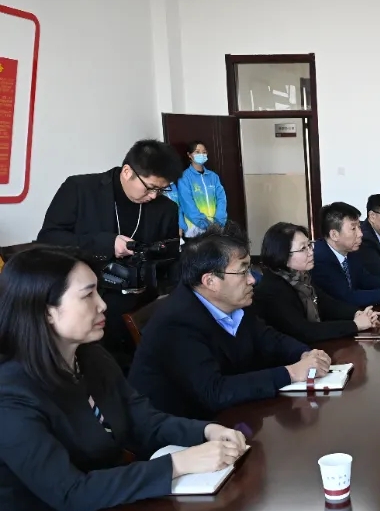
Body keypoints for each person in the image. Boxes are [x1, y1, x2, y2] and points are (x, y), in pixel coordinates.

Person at [0, 247, 248, 511]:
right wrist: (179, 463)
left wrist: (207, 432)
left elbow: (144, 421)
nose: (103, 304)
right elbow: (71, 493)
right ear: (46, 312)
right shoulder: (11, 394)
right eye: (88, 295)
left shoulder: (90, 357)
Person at [129, 225, 330, 420]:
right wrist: (291, 373)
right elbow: (215, 392)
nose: (252, 280)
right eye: (243, 272)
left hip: (235, 416)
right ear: (210, 281)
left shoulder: (235, 301)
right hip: (183, 428)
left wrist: (304, 354)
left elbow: (269, 339)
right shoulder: (176, 323)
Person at [37, 139, 185, 368]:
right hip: (86, 299)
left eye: (161, 189)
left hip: (140, 305)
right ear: (127, 172)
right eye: (150, 188)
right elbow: (48, 239)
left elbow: (170, 260)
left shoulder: (166, 209)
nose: (154, 196)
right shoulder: (80, 190)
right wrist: (106, 244)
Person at [253, 222, 380, 345]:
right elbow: (305, 331)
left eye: (309, 245)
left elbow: (328, 305)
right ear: (282, 255)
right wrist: (355, 325)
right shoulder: (272, 289)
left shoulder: (302, 278)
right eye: (303, 248)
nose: (311, 252)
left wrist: (357, 313)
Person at [312, 202, 380, 307]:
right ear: (334, 235)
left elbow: (365, 279)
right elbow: (346, 298)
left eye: (359, 227)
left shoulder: (351, 251)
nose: (360, 234)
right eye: (353, 229)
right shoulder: (320, 259)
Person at [175, 141, 227, 238]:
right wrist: (204, 224)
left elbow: (221, 199)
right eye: (197, 152)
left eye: (204, 152)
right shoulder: (184, 177)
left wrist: (219, 221)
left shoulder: (213, 176)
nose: (201, 154)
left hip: (216, 228)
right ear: (189, 155)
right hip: (195, 229)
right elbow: (187, 204)